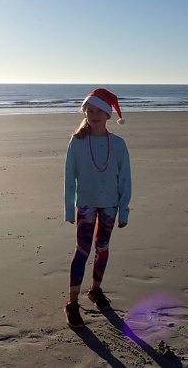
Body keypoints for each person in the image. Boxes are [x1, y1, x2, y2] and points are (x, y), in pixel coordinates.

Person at [63, 88, 132, 328]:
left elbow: (125, 179)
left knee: (102, 248)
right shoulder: (77, 142)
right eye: (89, 110)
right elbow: (69, 176)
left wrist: (124, 210)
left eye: (98, 111)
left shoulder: (118, 144)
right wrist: (68, 209)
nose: (93, 114)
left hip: (110, 206)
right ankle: (72, 302)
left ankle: (96, 290)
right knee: (82, 251)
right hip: (85, 206)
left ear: (107, 114)